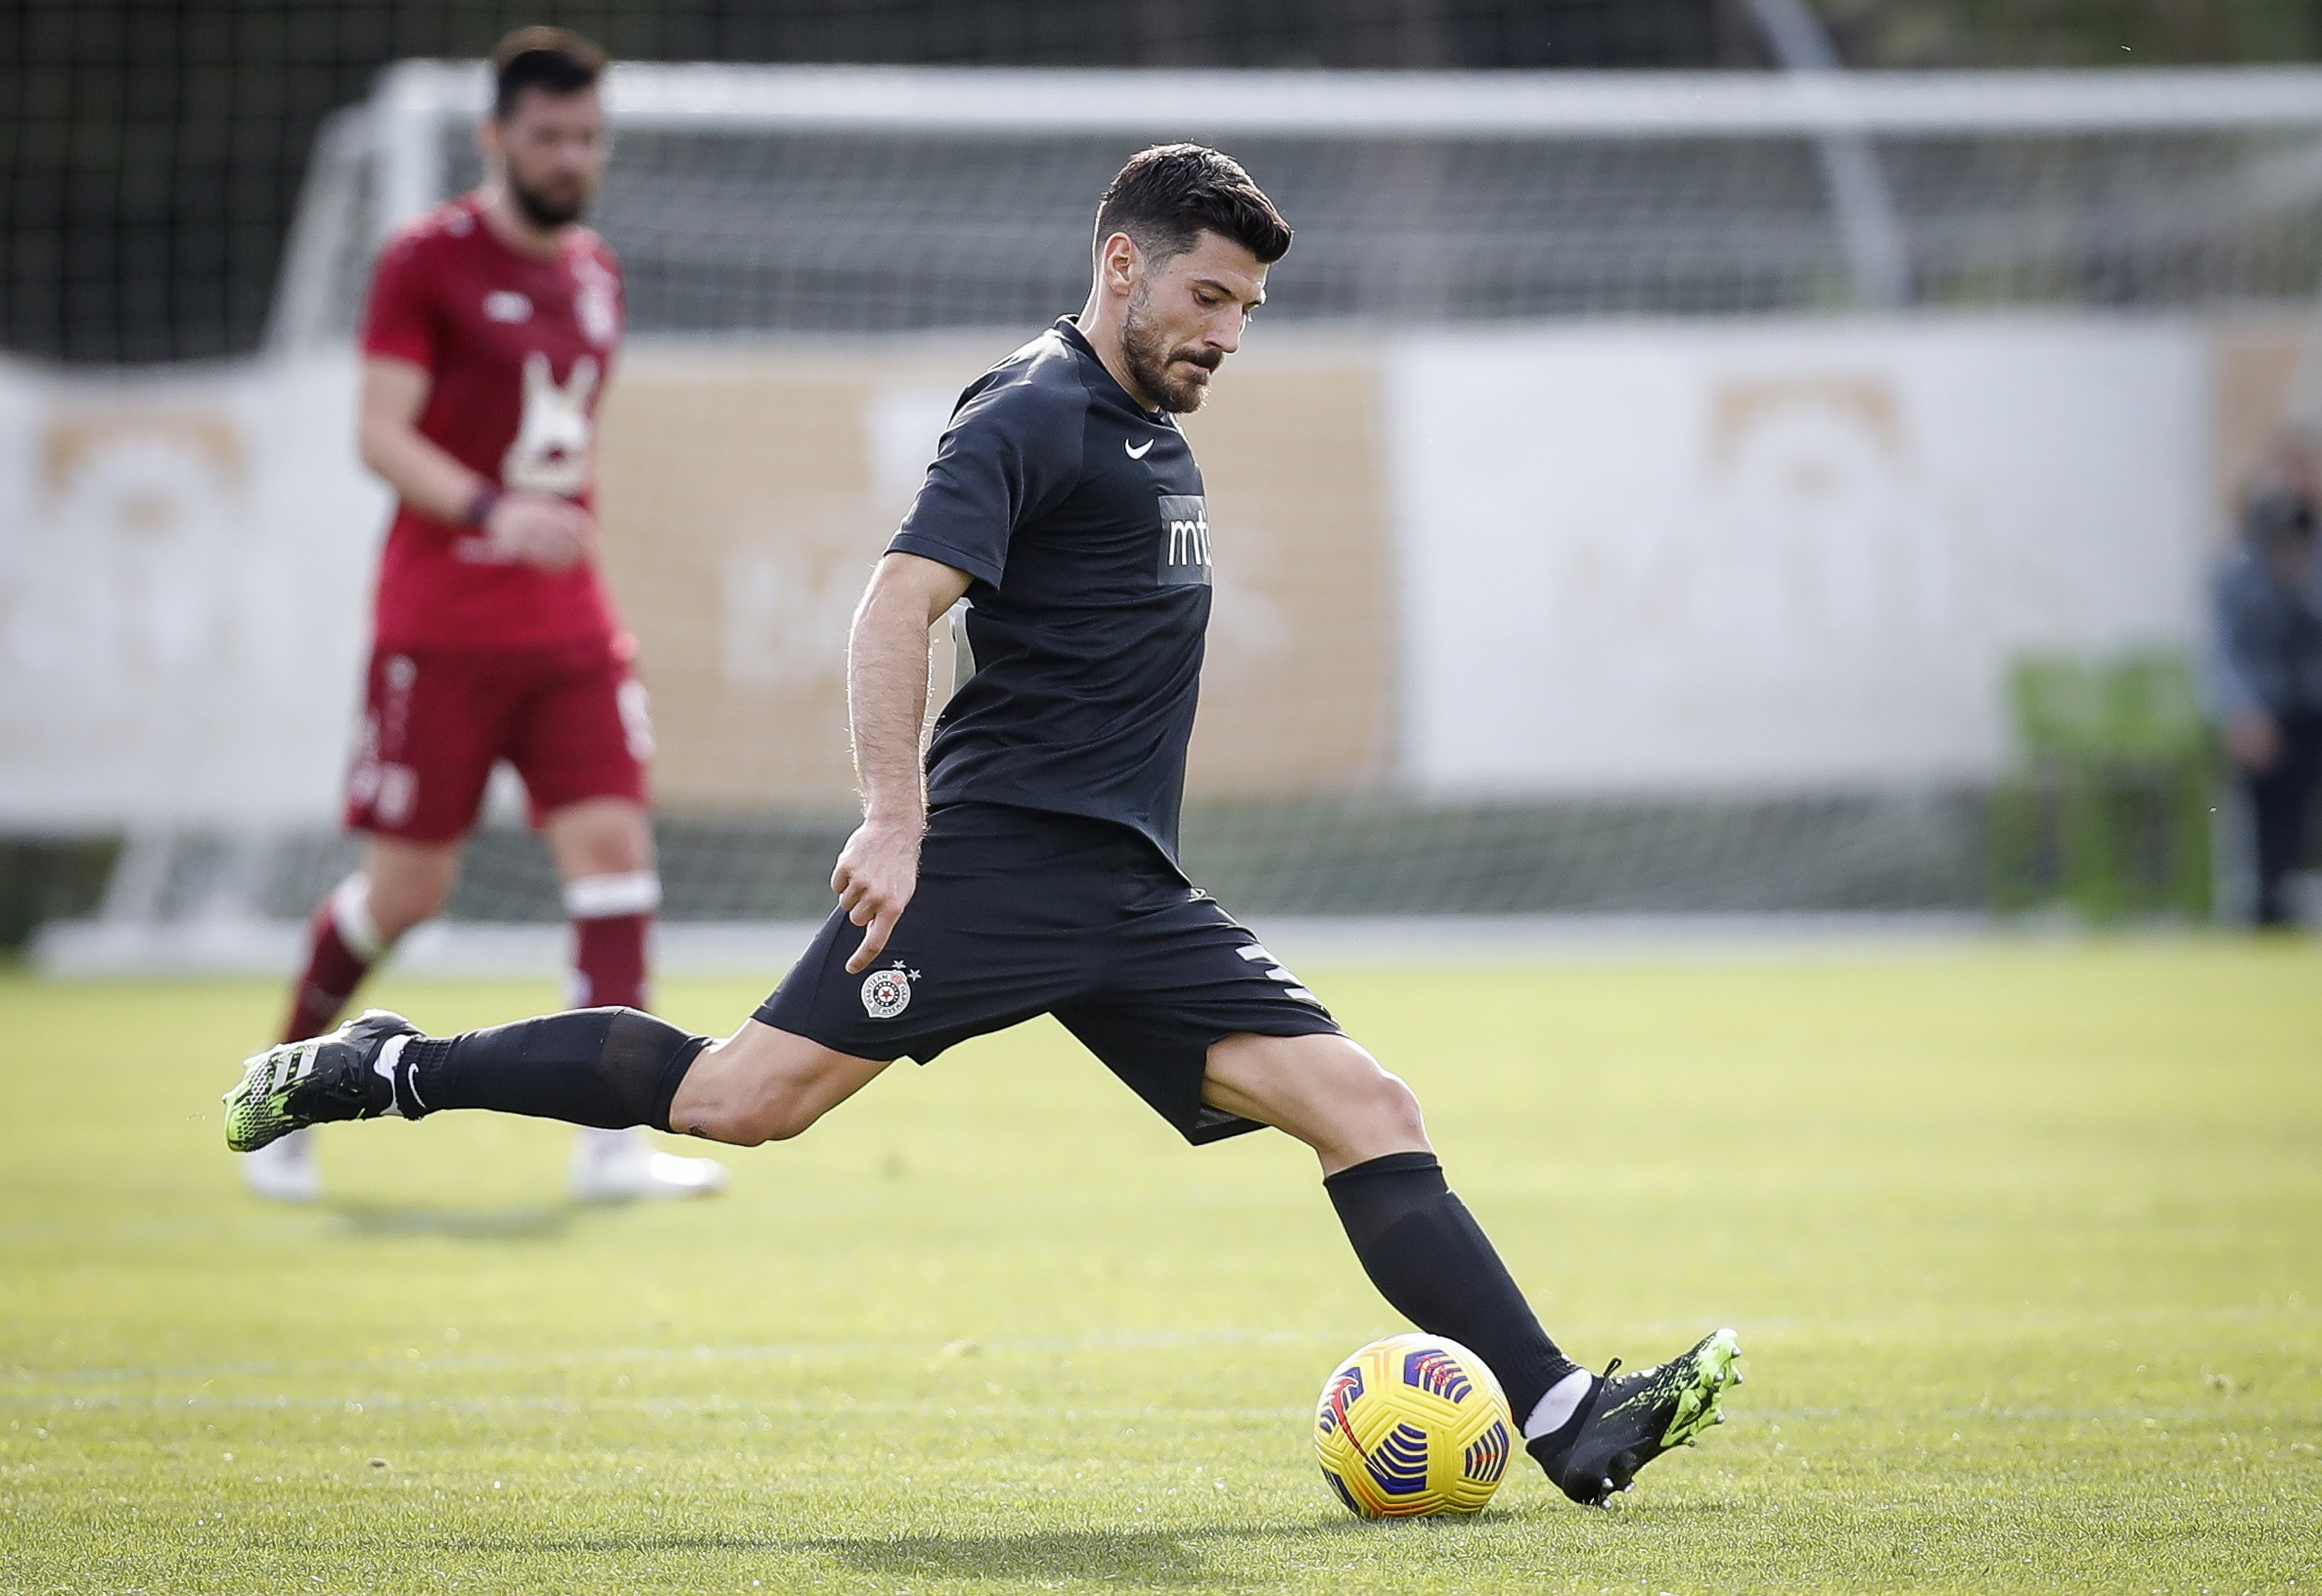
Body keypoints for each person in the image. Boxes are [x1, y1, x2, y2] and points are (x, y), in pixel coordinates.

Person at [223, 144, 1737, 1504]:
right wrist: (895, 814)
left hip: (1126, 894)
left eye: (1248, 310)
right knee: (740, 1099)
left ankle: (1560, 1415)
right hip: (996, 868)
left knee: (1365, 1106)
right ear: (1121, 262)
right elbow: (895, 603)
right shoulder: (1029, 410)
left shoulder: (1150, 427)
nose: (1224, 331)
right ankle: (390, 1066)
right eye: (1207, 294)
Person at [238, 26, 724, 1204]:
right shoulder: (424, 259)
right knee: (409, 891)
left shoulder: (597, 272)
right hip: (441, 627)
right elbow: (378, 432)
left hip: (567, 628)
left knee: (613, 854)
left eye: (588, 138)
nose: (570, 158)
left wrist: (541, 532)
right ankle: (282, 1087)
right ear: (495, 137)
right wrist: (489, 507)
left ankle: (610, 1141)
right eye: (548, 136)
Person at [2212, 435, 2322, 928]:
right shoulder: (2238, 564)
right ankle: (2267, 908)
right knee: (2269, 823)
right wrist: (2242, 710)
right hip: (2268, 708)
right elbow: (2223, 647)